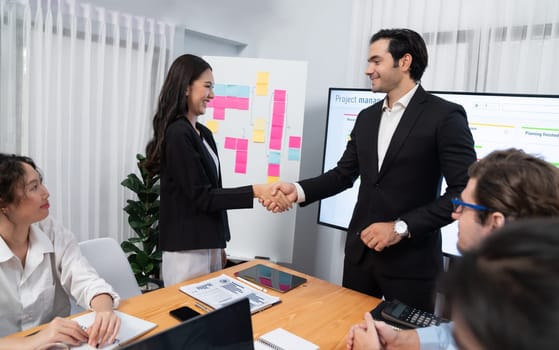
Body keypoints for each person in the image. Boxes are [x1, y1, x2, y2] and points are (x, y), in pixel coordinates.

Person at [269, 28, 476, 312]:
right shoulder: (366, 118)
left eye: (376, 61)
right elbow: (343, 174)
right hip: (360, 259)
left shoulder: (445, 116)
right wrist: (298, 190)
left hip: (411, 266)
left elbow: (462, 193)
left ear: (404, 62)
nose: (368, 70)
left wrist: (400, 228)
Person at [347, 148, 559, 350]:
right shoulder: (511, 281)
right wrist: (404, 340)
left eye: (465, 206)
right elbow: (456, 335)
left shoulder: (535, 317)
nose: (455, 214)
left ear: (495, 222)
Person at [143, 54, 289, 286]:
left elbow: (214, 191)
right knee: (190, 318)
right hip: (187, 250)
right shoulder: (178, 134)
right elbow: (201, 197)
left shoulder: (204, 134)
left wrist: (219, 243)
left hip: (207, 244)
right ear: (186, 88)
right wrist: (256, 190)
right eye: (207, 86)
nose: (212, 94)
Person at [0, 154, 121, 349]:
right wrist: (35, 341)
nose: (46, 193)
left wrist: (104, 312)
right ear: (3, 204)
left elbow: (85, 279)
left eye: (41, 184)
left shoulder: (50, 229)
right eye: (33, 187)